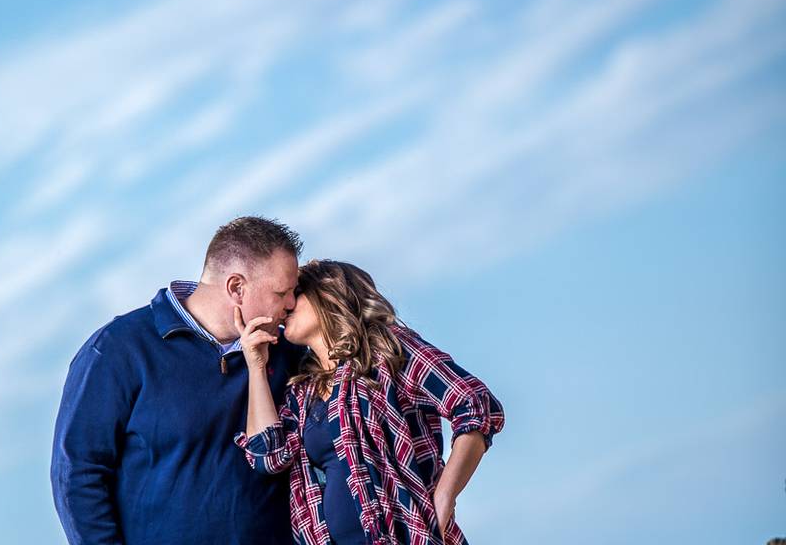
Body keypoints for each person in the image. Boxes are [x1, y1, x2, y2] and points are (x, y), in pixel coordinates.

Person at [51, 216, 305, 545]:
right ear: (236, 287)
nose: (292, 303)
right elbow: (77, 474)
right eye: (281, 292)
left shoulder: (290, 354)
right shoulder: (118, 349)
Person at [235, 259, 505, 545]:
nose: (286, 305)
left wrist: (444, 498)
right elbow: (268, 455)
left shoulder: (388, 351)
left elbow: (476, 405)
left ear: (328, 294)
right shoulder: (303, 391)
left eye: (297, 293)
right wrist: (256, 366)